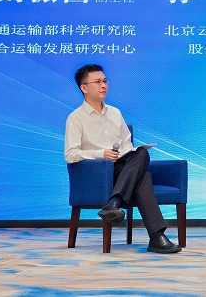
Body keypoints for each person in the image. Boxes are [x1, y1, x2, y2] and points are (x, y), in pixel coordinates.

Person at [64, 64, 181, 254]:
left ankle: (115, 203)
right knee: (143, 177)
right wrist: (100, 154)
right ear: (84, 88)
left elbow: (126, 143)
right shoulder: (75, 118)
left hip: (122, 169)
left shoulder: (115, 113)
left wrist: (126, 152)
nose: (103, 85)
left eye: (105, 81)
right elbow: (71, 154)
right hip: (97, 175)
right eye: (97, 82)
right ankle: (156, 237)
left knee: (141, 153)